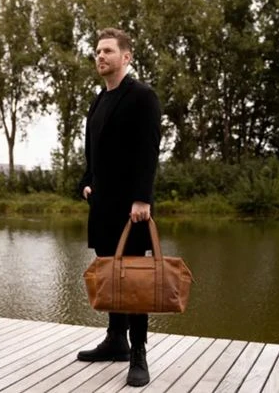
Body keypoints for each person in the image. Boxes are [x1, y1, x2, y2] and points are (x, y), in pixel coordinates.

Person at [77, 28, 161, 387]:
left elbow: (148, 150)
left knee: (134, 279)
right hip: (102, 205)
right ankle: (116, 340)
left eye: (108, 51)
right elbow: (92, 151)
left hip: (132, 208)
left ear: (126, 57)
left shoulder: (142, 96)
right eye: (97, 51)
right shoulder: (98, 101)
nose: (100, 56)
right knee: (110, 274)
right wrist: (86, 181)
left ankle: (138, 351)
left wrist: (142, 198)